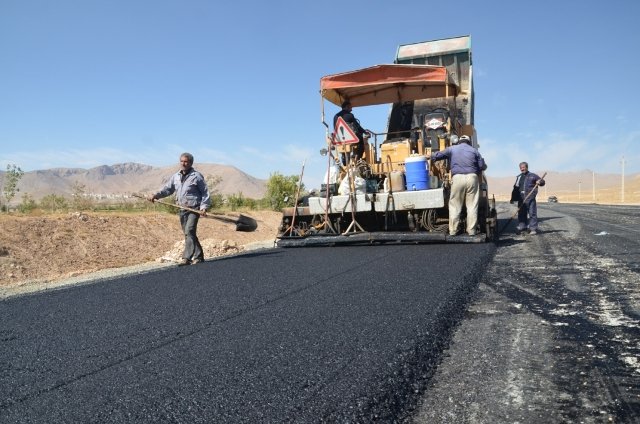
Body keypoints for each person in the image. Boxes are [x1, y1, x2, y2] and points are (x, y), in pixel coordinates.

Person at [148, 153, 211, 265]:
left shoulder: (196, 176)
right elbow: (168, 189)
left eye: (186, 161)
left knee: (189, 231)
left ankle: (186, 258)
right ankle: (199, 256)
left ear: (191, 163)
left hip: (194, 209)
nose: (183, 163)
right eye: (181, 161)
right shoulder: (176, 176)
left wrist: (204, 207)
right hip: (181, 209)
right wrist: (156, 195)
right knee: (188, 234)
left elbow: (205, 193)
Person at [427, 135, 486, 236]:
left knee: (455, 205)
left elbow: (438, 155)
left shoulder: (452, 149)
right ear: (469, 142)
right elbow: (482, 166)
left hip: (457, 178)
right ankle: (471, 231)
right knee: (472, 205)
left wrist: (429, 156)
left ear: (459, 141)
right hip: (472, 178)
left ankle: (453, 231)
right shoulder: (474, 151)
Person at [511, 161, 545, 235]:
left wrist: (540, 182)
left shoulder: (533, 175)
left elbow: (542, 182)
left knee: (532, 213)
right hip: (521, 198)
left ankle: (533, 228)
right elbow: (515, 188)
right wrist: (512, 198)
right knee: (521, 213)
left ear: (527, 167)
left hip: (530, 197)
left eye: (523, 167)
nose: (522, 169)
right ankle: (522, 226)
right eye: (521, 168)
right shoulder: (519, 177)